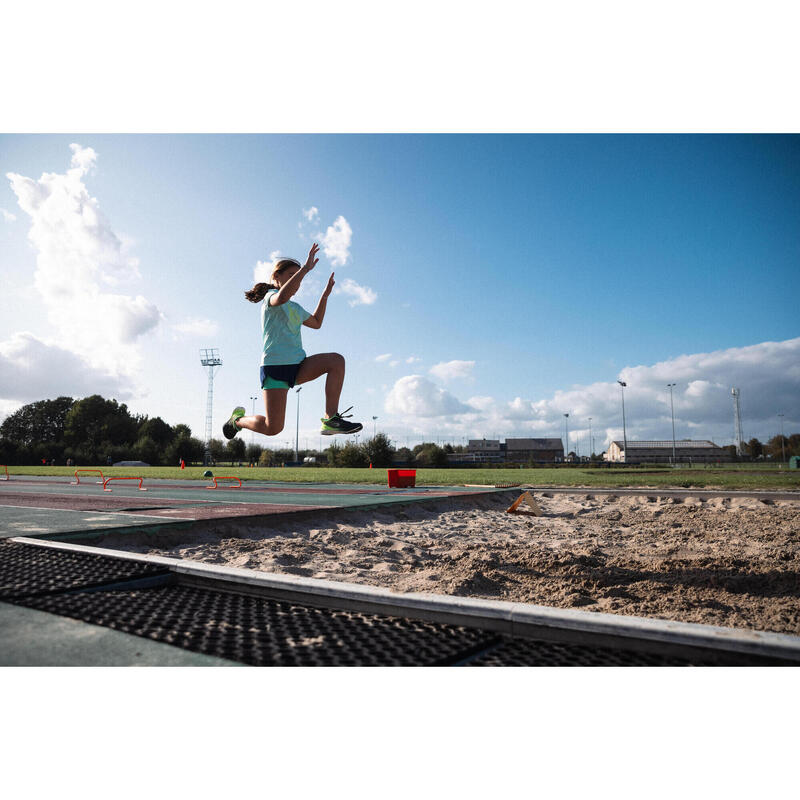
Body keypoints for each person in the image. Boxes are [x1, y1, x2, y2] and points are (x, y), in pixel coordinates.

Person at [223, 242, 363, 441]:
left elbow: (316, 323)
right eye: (292, 276)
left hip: (298, 365)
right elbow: (281, 297)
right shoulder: (271, 299)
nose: (297, 283)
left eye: (298, 278)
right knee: (273, 428)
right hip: (276, 368)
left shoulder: (295, 308)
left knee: (336, 361)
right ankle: (237, 421)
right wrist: (305, 269)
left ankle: (330, 418)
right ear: (276, 277)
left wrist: (324, 296)